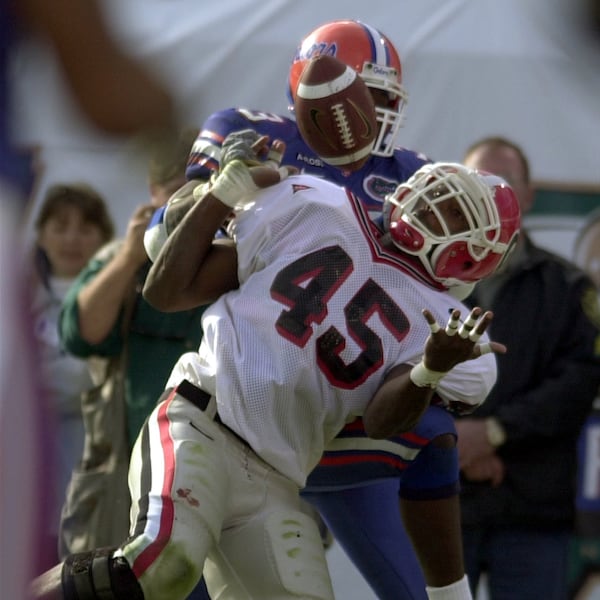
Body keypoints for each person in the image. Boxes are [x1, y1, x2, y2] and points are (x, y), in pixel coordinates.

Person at [30, 134, 520, 600]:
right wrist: (219, 195)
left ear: (474, 254)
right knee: (160, 568)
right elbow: (165, 292)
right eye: (438, 191)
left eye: (455, 209)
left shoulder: (444, 322)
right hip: (202, 422)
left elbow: (381, 421)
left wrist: (430, 370)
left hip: (276, 479)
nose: (432, 204)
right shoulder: (317, 206)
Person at [185, 20, 476, 599]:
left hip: (337, 411)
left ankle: (451, 594)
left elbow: (439, 291)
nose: (380, 110)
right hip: (237, 392)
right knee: (162, 576)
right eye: (368, 96)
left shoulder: (411, 174)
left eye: (387, 98)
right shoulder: (251, 134)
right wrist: (221, 194)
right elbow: (167, 247)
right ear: (313, 95)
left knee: (436, 428)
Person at [57, 128, 211, 600]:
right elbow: (80, 334)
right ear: (153, 194)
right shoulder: (121, 260)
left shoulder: (234, 260)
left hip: (215, 478)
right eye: (175, 196)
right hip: (130, 485)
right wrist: (130, 254)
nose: (188, 212)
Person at [454, 136, 600, 600]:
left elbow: (579, 382)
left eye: (506, 182)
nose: (493, 195)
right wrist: (457, 439)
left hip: (533, 514)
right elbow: (401, 373)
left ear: (529, 194)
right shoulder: (431, 282)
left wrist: (494, 432)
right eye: (480, 182)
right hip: (441, 506)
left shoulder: (569, 286)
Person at [31, 182, 114, 566]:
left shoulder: (121, 300)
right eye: (60, 225)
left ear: (104, 237)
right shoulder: (16, 299)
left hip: (97, 490)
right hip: (27, 485)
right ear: (40, 234)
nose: (72, 238)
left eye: (85, 228)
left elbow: (82, 379)